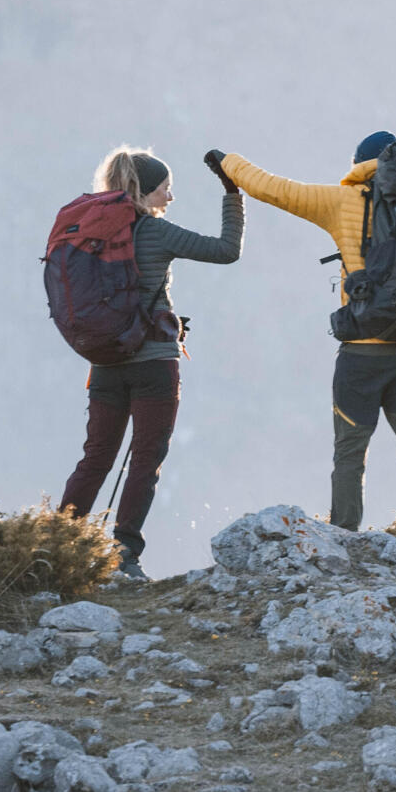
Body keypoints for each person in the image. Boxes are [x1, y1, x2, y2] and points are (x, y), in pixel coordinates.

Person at [214, 134, 396, 568]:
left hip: (363, 352)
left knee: (350, 450)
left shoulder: (342, 201)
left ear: (358, 164)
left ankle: (343, 538)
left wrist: (226, 161)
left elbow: (271, 187)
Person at [56, 147, 243, 580]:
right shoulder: (157, 233)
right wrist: (233, 195)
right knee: (146, 457)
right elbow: (226, 250)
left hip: (103, 358)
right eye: (165, 189)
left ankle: (57, 542)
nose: (170, 197)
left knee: (96, 456)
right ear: (144, 191)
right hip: (153, 361)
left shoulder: (92, 231)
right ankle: (124, 554)